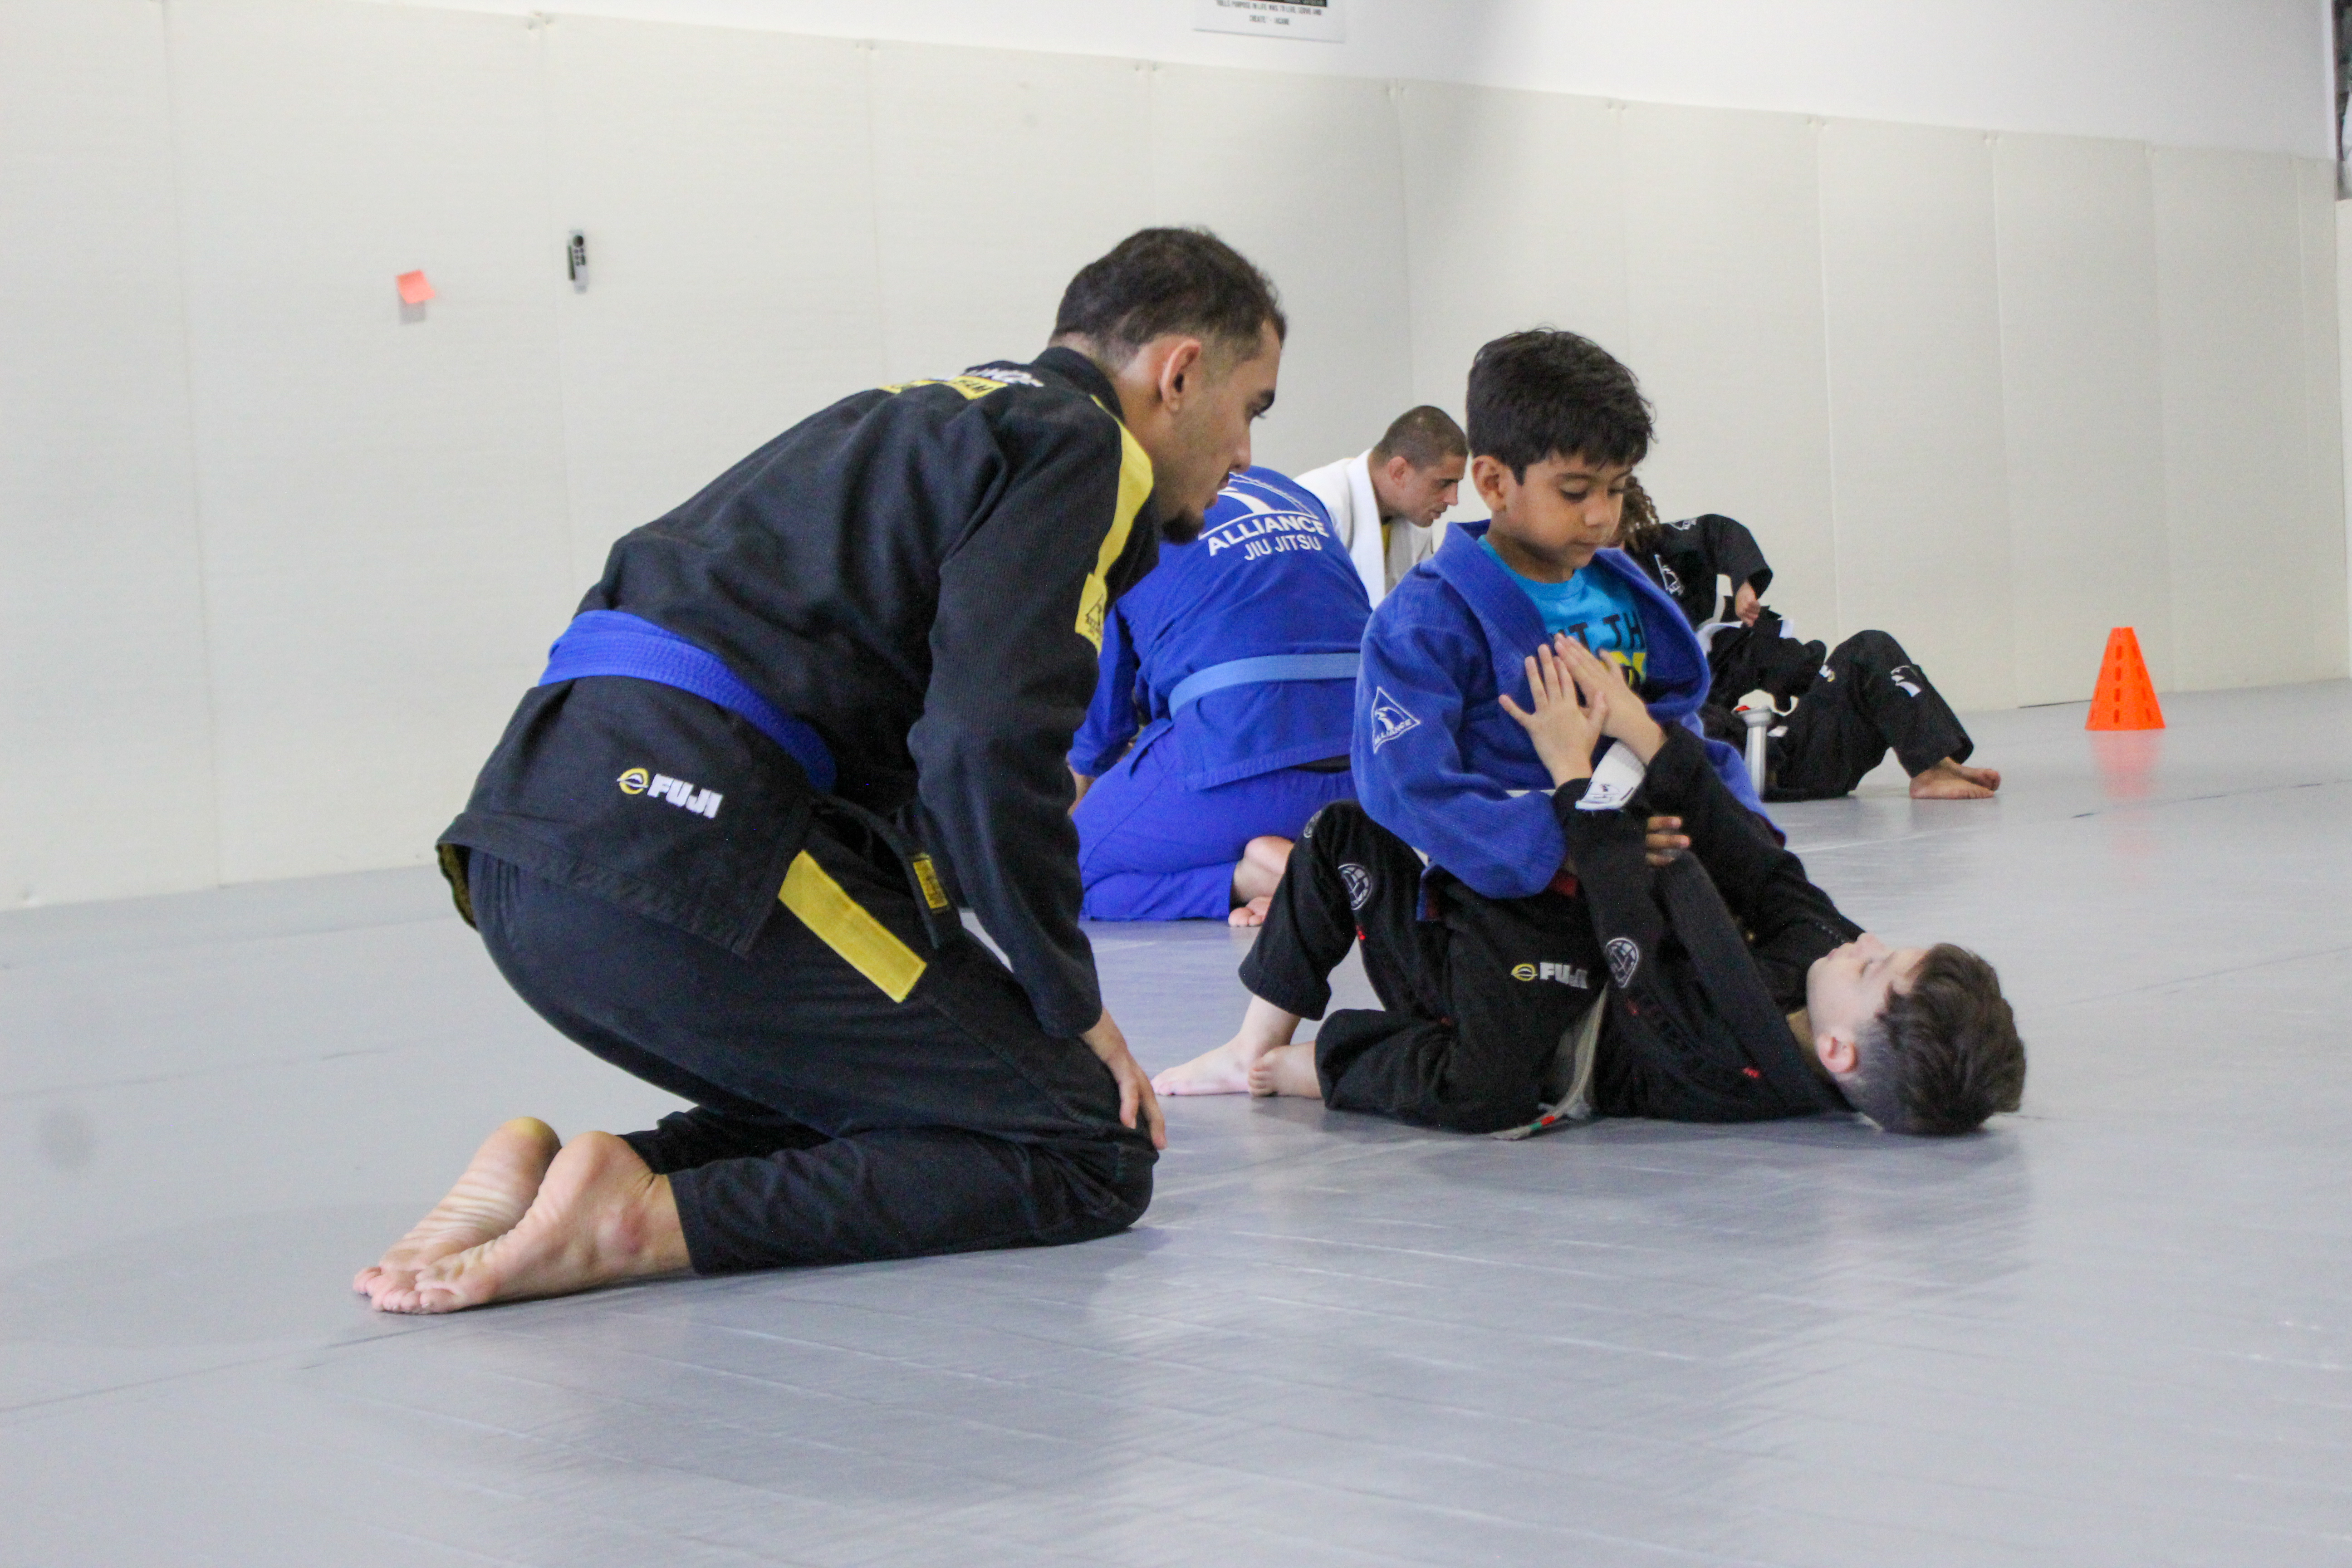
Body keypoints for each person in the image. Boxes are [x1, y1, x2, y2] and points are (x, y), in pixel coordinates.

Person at [354, 227, 1287, 1314]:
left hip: (533, 850)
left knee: (916, 1088)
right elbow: (984, 751)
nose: (1244, 455)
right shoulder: (1082, 447)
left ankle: (558, 1190)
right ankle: (634, 1219)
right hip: (681, 849)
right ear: (1179, 373)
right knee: (1085, 1142)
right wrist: (1071, 1003)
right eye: (1253, 407)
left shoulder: (916, 415)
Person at [1155, 328, 1771, 1096]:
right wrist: (1568, 841)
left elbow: (1680, 738)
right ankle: (1269, 1055)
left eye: (1616, 489)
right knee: (1487, 1076)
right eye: (1575, 491)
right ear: (1494, 481)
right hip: (1487, 903)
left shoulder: (1624, 594)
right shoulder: (1427, 619)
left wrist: (1741, 846)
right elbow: (1407, 786)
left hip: (1626, 892)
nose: (1600, 518)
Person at [1192, 637, 2025, 1137]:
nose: (1864, 942)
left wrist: (1570, 769)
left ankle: (1295, 1065)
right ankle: (1250, 1039)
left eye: (1874, 968)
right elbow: (1762, 869)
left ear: (1837, 1053)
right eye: (1885, 949)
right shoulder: (1828, 961)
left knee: (1485, 1088)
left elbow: (1633, 939)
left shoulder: (1735, 1058)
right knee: (1345, 836)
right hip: (1574, 937)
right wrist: (1637, 725)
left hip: (1560, 1013)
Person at [1069, 465, 1369, 926]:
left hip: (1238, 759)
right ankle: (1303, 863)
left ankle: (1244, 880)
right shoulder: (1285, 488)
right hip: (1368, 775)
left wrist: (1076, 803)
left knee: (1064, 877)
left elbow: (1101, 728)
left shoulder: (1116, 509)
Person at [1616, 480, 2002, 802]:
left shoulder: (1656, 551)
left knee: (1870, 648)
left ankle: (1935, 764)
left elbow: (1718, 531)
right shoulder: (1607, 619)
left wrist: (1744, 583)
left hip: (1780, 744)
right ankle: (1929, 769)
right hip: (1749, 762)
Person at [1295, 406, 1468, 606]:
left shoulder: (1416, 518)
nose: (1453, 499)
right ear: (1399, 472)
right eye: (1444, 483)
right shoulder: (1316, 504)